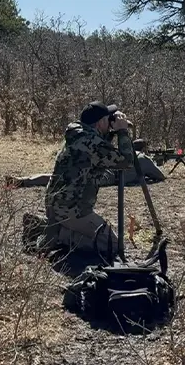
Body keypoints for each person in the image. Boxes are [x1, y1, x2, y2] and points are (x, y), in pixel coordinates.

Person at [40, 101, 135, 258]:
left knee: (99, 238)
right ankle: (60, 235)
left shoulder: (78, 134)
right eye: (108, 119)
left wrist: (112, 132)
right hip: (73, 210)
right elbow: (126, 162)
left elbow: (99, 150)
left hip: (56, 204)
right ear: (100, 122)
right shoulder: (91, 142)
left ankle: (54, 228)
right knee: (113, 246)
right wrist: (123, 132)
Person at [6, 139, 166, 188]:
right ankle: (21, 182)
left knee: (57, 177)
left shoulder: (120, 152)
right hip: (107, 177)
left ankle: (23, 180)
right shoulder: (143, 159)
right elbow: (160, 176)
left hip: (96, 166)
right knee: (66, 180)